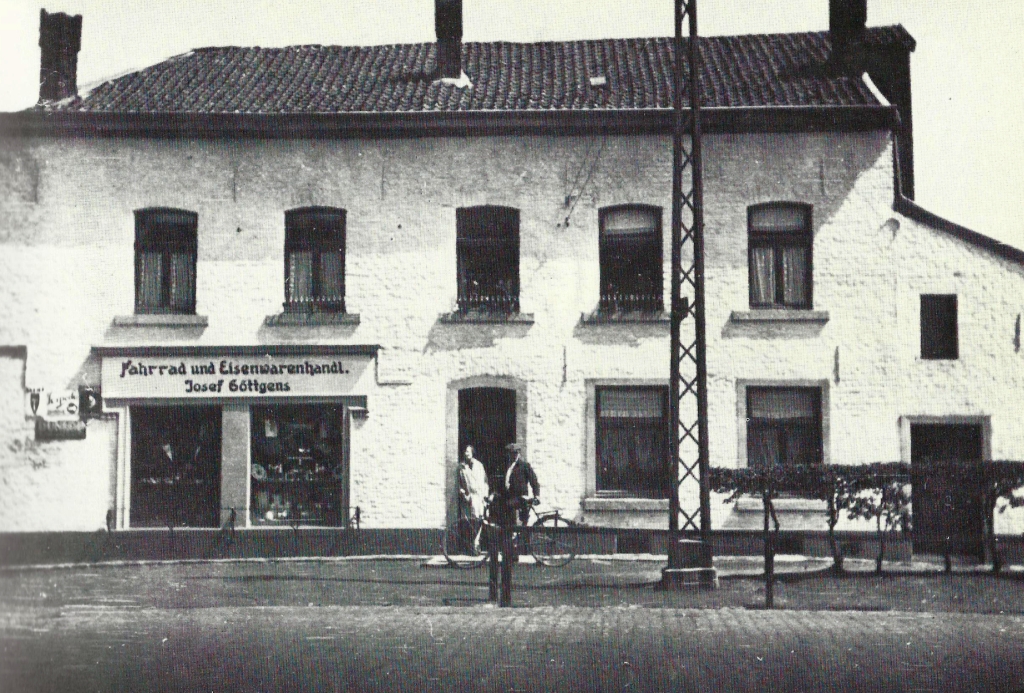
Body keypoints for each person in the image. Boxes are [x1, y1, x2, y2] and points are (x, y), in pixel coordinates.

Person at [458, 445, 489, 553]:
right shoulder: (461, 467)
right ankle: (473, 544)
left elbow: (485, 481)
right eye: (465, 451)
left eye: (468, 451)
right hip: (470, 497)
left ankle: (477, 543)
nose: (466, 453)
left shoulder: (479, 465)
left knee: (480, 520)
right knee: (471, 521)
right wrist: (462, 491)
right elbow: (460, 483)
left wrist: (486, 495)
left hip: (480, 496)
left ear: (472, 452)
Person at [501, 443, 540, 527]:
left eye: (515, 453)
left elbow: (534, 480)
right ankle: (512, 534)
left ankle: (520, 535)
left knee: (509, 507)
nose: (513, 455)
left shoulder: (523, 465)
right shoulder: (507, 465)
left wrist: (536, 495)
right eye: (511, 453)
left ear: (518, 453)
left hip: (520, 497)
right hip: (510, 496)